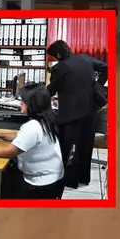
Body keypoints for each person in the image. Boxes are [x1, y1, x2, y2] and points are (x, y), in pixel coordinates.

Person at [0, 82, 65, 199]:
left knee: (4, 175)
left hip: (40, 185)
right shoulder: (46, 119)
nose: (20, 103)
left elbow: (8, 152)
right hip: (53, 180)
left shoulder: (32, 127)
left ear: (32, 104)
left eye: (22, 101)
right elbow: (20, 136)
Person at [46, 40, 108, 188]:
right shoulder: (85, 59)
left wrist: (34, 97)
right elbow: (106, 67)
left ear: (59, 54)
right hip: (90, 110)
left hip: (70, 114)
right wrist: (98, 84)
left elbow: (51, 90)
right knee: (85, 146)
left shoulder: (59, 68)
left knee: (67, 147)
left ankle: (69, 180)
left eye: (54, 56)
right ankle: (83, 178)